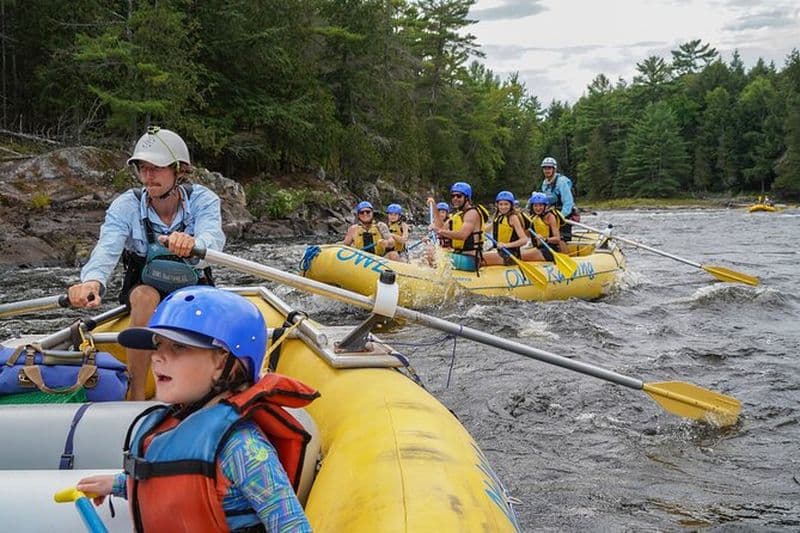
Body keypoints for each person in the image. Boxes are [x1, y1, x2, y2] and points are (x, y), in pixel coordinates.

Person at [76, 286, 315, 532]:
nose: (157, 357)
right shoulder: (177, 424)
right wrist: (116, 484)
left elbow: (293, 526)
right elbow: (170, 476)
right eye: (158, 345)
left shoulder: (243, 449)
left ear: (224, 362)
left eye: (179, 347)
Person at [67, 127, 225, 400]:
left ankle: (204, 390)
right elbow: (107, 248)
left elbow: (213, 238)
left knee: (196, 308)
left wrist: (194, 245)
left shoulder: (204, 199)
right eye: (143, 168)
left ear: (179, 171)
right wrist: (92, 281)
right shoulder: (126, 205)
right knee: (143, 296)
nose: (148, 176)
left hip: (193, 286)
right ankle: (136, 394)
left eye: (157, 168)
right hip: (144, 284)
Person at [430, 182, 487, 272]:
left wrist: (439, 231)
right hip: (459, 254)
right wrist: (434, 207)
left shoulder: (472, 213)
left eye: (459, 196)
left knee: (432, 254)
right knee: (429, 251)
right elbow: (441, 227)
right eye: (453, 196)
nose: (455, 198)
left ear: (467, 198)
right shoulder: (458, 215)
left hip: (471, 259)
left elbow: (462, 235)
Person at [483, 191, 529, 266]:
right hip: (501, 252)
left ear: (511, 205)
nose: (503, 207)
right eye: (501, 204)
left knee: (479, 258)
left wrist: (506, 245)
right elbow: (487, 228)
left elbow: (524, 240)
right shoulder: (498, 216)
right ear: (497, 205)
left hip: (510, 254)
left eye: (506, 204)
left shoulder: (513, 217)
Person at [539, 156, 579, 242]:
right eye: (545, 168)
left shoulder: (561, 182)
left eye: (549, 168)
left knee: (563, 239)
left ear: (554, 169)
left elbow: (568, 202)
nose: (547, 170)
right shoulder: (545, 183)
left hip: (564, 215)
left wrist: (560, 217)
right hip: (553, 214)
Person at [522, 192, 564, 262]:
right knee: (520, 253)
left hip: (550, 249)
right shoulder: (532, 218)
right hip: (538, 248)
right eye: (535, 206)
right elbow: (526, 236)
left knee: (521, 256)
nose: (538, 208)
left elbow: (557, 239)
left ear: (545, 206)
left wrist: (545, 239)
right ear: (532, 207)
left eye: (540, 205)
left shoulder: (550, 217)